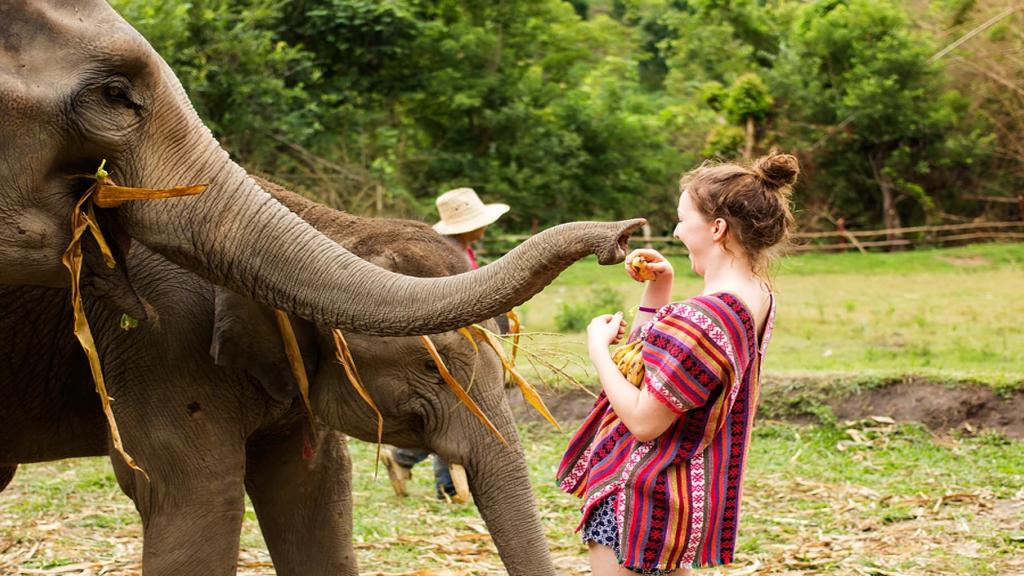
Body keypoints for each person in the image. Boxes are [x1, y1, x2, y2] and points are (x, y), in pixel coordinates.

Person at [557, 150, 798, 575]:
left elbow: (644, 420)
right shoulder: (757, 299)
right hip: (680, 498)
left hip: (637, 497)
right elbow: (662, 372)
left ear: (717, 228)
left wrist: (596, 348)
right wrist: (660, 288)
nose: (676, 230)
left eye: (683, 220)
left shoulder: (699, 319)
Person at [381, 187, 510, 501]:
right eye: (482, 221)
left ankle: (404, 459)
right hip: (451, 345)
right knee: (455, 409)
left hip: (465, 342)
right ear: (468, 226)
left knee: (456, 408)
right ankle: (447, 487)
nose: (486, 226)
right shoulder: (444, 257)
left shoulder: (462, 251)